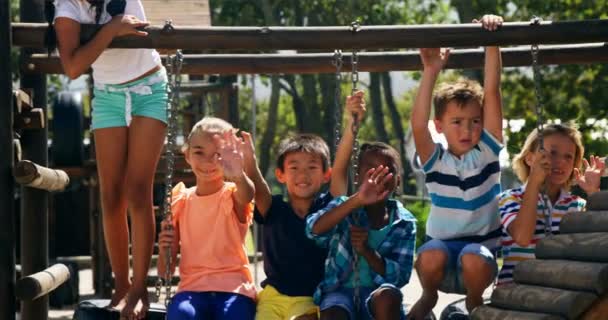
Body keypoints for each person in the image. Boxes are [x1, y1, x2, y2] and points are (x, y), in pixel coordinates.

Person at [52, 0, 166, 317]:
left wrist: (103, 32)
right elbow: (73, 67)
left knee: (138, 190)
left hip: (150, 88)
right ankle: (121, 283)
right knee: (111, 193)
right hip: (108, 96)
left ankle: (141, 287)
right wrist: (111, 29)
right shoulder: (67, 7)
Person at [408, 14, 505, 318]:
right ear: (440, 125)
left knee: (473, 257)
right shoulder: (436, 162)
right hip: (441, 263)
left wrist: (492, 42)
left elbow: (491, 92)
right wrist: (431, 71)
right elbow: (418, 126)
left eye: (475, 121)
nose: (468, 130)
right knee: (430, 253)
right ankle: (428, 296)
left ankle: (475, 301)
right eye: (457, 122)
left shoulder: (487, 154)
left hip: (479, 262)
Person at [244, 91, 366, 320]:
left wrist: (353, 123)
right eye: (294, 167)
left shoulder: (329, 207)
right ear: (280, 174)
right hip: (273, 296)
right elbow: (257, 184)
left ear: (325, 174)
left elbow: (341, 165)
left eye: (312, 167)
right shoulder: (273, 208)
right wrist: (248, 159)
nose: (303, 174)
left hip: (312, 299)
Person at [158, 117, 257, 320]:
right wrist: (163, 248)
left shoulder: (233, 194)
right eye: (199, 152)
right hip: (192, 289)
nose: (207, 161)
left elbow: (247, 194)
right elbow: (164, 272)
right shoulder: (180, 200)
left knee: (235, 315)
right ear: (187, 155)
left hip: (234, 289)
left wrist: (239, 175)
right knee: (180, 315)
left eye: (218, 155)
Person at [307, 142, 417, 320]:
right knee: (333, 313)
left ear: (398, 181)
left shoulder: (404, 222)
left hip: (377, 294)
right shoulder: (345, 206)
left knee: (389, 297)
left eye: (388, 170)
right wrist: (357, 200)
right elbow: (313, 229)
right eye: (371, 169)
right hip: (340, 291)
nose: (378, 176)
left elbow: (400, 276)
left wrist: (367, 252)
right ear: (358, 177)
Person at [497, 124, 604, 285]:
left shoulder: (577, 206)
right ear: (530, 158)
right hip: (516, 291)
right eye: (552, 153)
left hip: (561, 294)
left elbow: (597, 245)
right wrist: (534, 181)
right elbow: (522, 238)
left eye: (568, 156)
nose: (560, 161)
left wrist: (593, 193)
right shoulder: (510, 199)